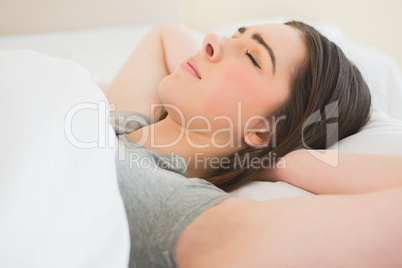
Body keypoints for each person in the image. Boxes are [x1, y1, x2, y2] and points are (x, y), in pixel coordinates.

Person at [105, 21, 402, 267]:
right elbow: (165, 36)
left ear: (262, 132)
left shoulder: (169, 208)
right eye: (235, 34)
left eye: (252, 56)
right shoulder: (127, 124)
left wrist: (277, 159)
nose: (210, 40)